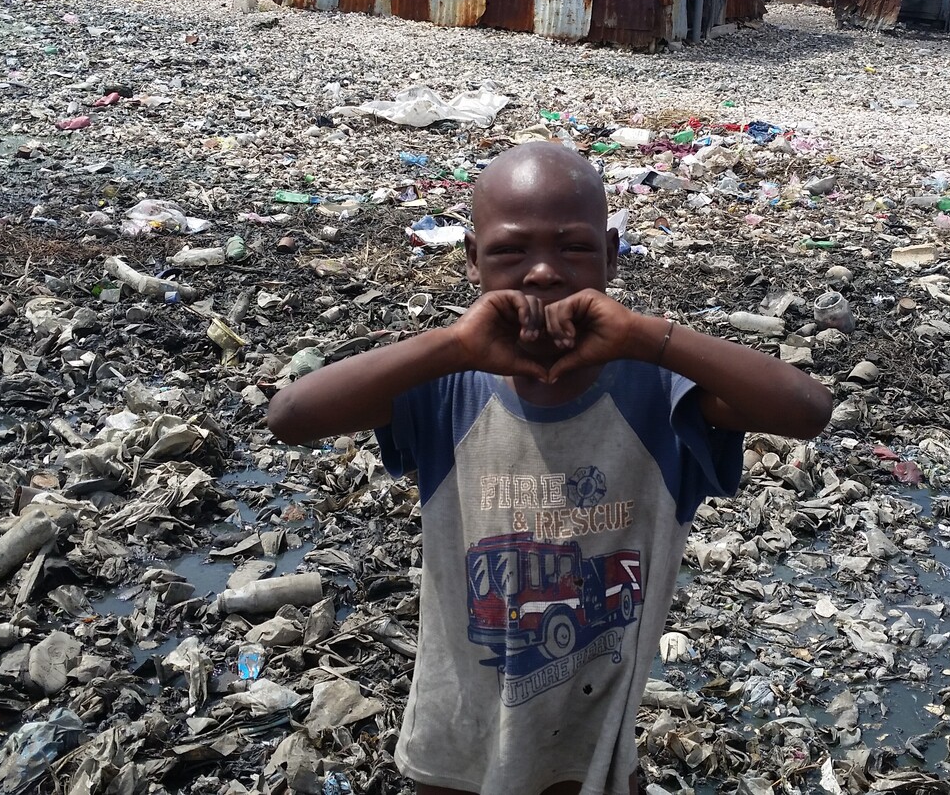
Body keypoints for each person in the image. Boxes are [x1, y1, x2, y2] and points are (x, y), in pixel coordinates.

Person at [267, 141, 834, 795]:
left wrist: (645, 336)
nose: (541, 272)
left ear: (612, 259)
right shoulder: (448, 388)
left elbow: (807, 409)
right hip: (455, 740)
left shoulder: (658, 392)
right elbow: (290, 416)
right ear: (473, 260)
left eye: (573, 248)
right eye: (510, 252)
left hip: (590, 747)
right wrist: (454, 345)